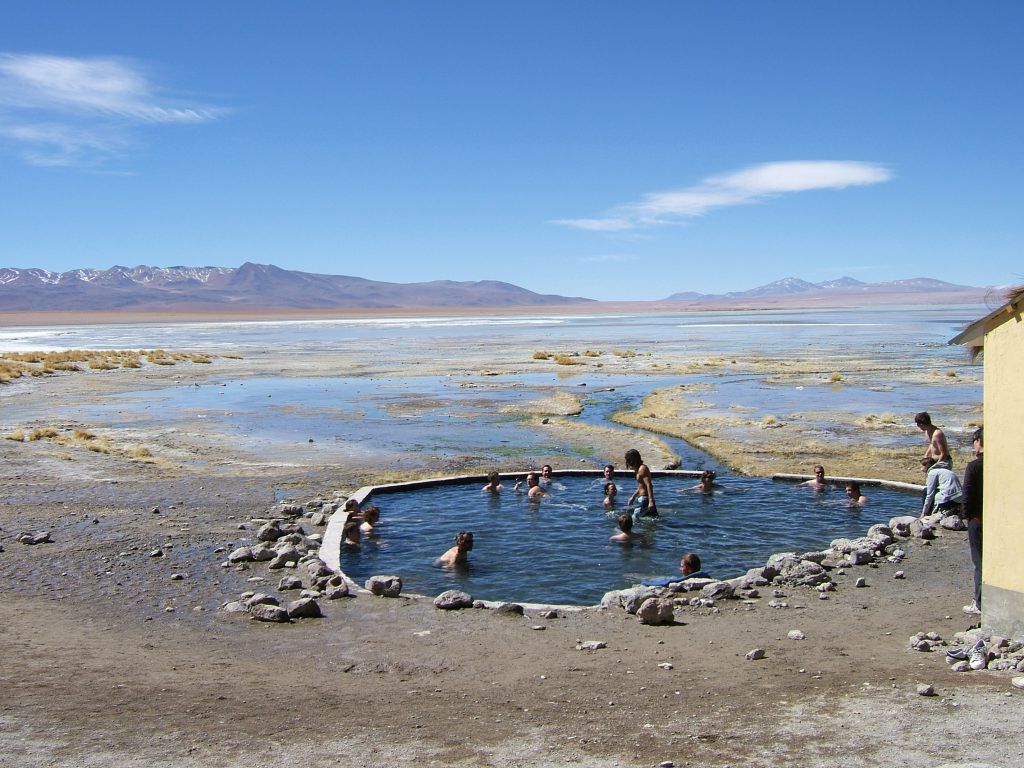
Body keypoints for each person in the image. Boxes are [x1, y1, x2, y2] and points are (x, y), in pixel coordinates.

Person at [961, 427, 983, 616]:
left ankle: (979, 603)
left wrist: (966, 516)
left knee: (979, 562)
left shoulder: (974, 466)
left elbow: (966, 494)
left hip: (978, 520)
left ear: (978, 441)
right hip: (997, 522)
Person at [641, 552, 708, 587]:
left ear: (689, 569)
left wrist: (643, 582)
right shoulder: (703, 576)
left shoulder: (680, 581)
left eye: (682, 566)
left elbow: (664, 583)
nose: (680, 568)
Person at [625, 449, 657, 516]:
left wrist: (651, 501)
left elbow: (649, 485)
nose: (627, 462)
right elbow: (641, 485)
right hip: (642, 498)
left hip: (646, 499)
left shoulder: (642, 469)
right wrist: (633, 497)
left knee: (634, 517)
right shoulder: (638, 469)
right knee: (653, 518)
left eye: (628, 459)